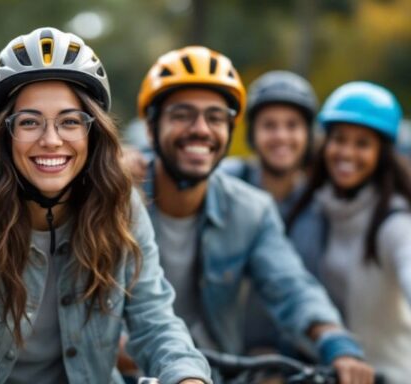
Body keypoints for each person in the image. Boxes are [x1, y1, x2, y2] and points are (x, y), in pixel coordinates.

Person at [0, 28, 211, 384]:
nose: (51, 140)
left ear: (93, 132)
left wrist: (188, 378)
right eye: (29, 122)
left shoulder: (123, 208)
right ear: (4, 134)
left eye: (70, 121)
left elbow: (156, 321)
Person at [132, 45, 374, 383]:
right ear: (151, 128)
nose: (201, 129)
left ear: (230, 131)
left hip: (216, 373)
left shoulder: (251, 210)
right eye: (182, 114)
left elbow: (291, 285)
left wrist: (337, 343)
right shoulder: (115, 203)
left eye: (215, 117)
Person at [286, 81, 411, 383]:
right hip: (327, 372)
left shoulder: (393, 222)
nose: (347, 153)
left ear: (381, 153)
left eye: (362, 144)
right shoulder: (314, 208)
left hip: (390, 374)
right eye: (339, 139)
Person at [218, 70, 324, 354]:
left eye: (292, 125)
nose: (281, 136)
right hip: (217, 359)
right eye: (270, 125)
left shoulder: (320, 205)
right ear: (253, 133)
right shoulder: (226, 182)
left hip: (292, 363)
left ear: (308, 134)